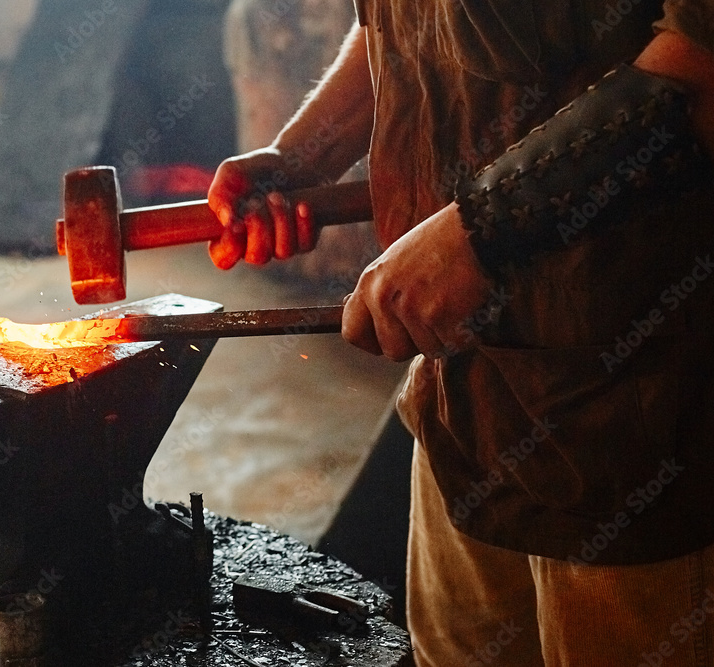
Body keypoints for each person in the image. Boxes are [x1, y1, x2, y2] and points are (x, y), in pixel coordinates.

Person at [206, 0, 714, 663]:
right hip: (460, 389)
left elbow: (699, 67)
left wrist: (478, 234)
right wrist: (304, 152)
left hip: (627, 411)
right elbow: (397, 24)